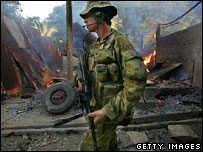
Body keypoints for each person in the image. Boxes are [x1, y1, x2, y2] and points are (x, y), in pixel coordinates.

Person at [75, 1, 147, 151]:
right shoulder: (94, 46)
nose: (84, 20)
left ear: (99, 15)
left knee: (88, 148)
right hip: (95, 109)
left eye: (88, 15)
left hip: (108, 112)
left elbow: (136, 83)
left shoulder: (120, 43)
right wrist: (79, 80)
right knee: (110, 144)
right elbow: (82, 72)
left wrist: (107, 111)